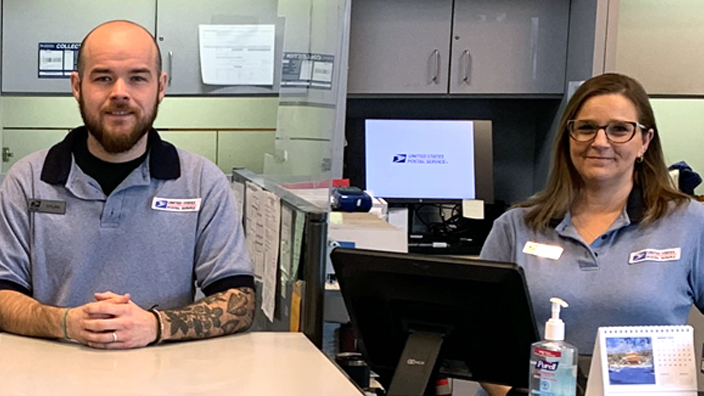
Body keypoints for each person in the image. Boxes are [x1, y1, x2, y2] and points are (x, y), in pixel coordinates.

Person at [0, 20, 255, 349]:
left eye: (137, 78)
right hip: (51, 373)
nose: (119, 92)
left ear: (161, 86)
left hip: (167, 375)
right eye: (103, 78)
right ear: (77, 86)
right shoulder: (26, 181)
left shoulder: (202, 183)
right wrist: (65, 323)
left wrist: (155, 325)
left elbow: (240, 301)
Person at [479, 73, 704, 396]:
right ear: (568, 137)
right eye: (586, 128)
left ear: (645, 141)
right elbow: (479, 338)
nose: (600, 142)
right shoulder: (516, 226)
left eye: (619, 129)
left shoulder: (689, 223)